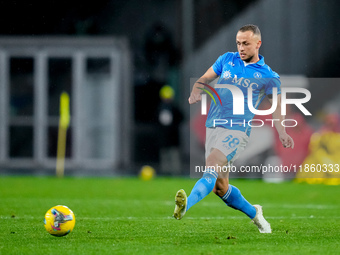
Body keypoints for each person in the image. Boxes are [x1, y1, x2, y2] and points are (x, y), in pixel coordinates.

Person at [173, 24, 294, 233]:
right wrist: (196, 89)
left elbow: (277, 105)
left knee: (211, 163)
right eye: (238, 43)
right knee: (221, 188)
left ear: (258, 44)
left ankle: (185, 205)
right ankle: (256, 215)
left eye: (245, 43)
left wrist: (282, 131)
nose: (241, 48)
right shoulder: (226, 59)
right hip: (213, 127)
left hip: (237, 130)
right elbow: (204, 78)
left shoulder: (268, 75)